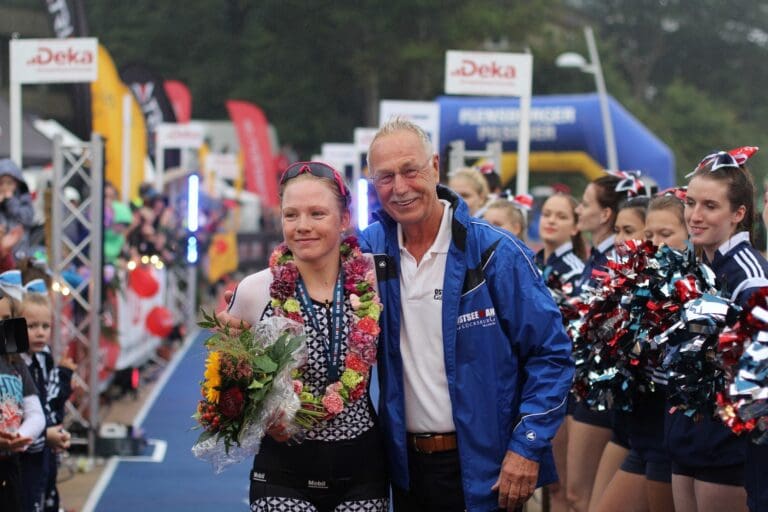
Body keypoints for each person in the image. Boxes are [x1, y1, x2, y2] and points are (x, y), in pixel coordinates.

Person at [361, 118, 573, 511]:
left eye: (411, 170)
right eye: (385, 177)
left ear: (435, 167)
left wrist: (526, 446)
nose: (400, 187)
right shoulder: (366, 253)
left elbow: (552, 355)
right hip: (405, 471)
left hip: (487, 470)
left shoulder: (495, 251)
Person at [225, 162, 389, 511]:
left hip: (362, 470)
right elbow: (226, 387)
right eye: (291, 215)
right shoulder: (256, 290)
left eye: (317, 214)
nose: (303, 227)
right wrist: (258, 414)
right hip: (282, 471)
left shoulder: (374, 282)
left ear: (344, 219)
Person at [670, 148, 767, 512]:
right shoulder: (696, 266)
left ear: (738, 213)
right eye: (690, 202)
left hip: (728, 445)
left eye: (710, 206)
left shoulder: (750, 276)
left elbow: (758, 379)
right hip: (689, 437)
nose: (694, 216)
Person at [569, 174, 626, 512]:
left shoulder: (614, 263)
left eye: (585, 204)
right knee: (574, 494)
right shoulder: (595, 259)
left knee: (585, 498)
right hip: (583, 384)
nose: (579, 209)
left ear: (606, 214)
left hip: (602, 388)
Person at [534, 193, 585, 512]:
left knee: (563, 484)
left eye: (561, 216)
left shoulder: (577, 269)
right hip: (535, 377)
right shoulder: (533, 260)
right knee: (546, 484)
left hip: (563, 380)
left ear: (576, 226)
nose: (551, 220)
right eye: (547, 214)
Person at [0, 272, 45, 512]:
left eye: (7, 318)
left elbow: (35, 413)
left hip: (12, 464)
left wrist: (19, 437)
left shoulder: (15, 362)